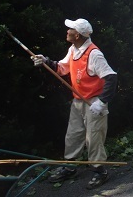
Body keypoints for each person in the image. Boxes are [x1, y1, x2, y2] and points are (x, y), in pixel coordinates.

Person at [32, 18, 118, 190]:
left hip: (94, 102)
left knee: (94, 137)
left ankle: (100, 171)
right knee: (73, 135)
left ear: (77, 34)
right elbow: (62, 67)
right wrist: (45, 61)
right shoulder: (74, 49)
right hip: (78, 101)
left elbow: (111, 77)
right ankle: (70, 167)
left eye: (70, 29)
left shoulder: (94, 54)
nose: (67, 31)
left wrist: (101, 102)